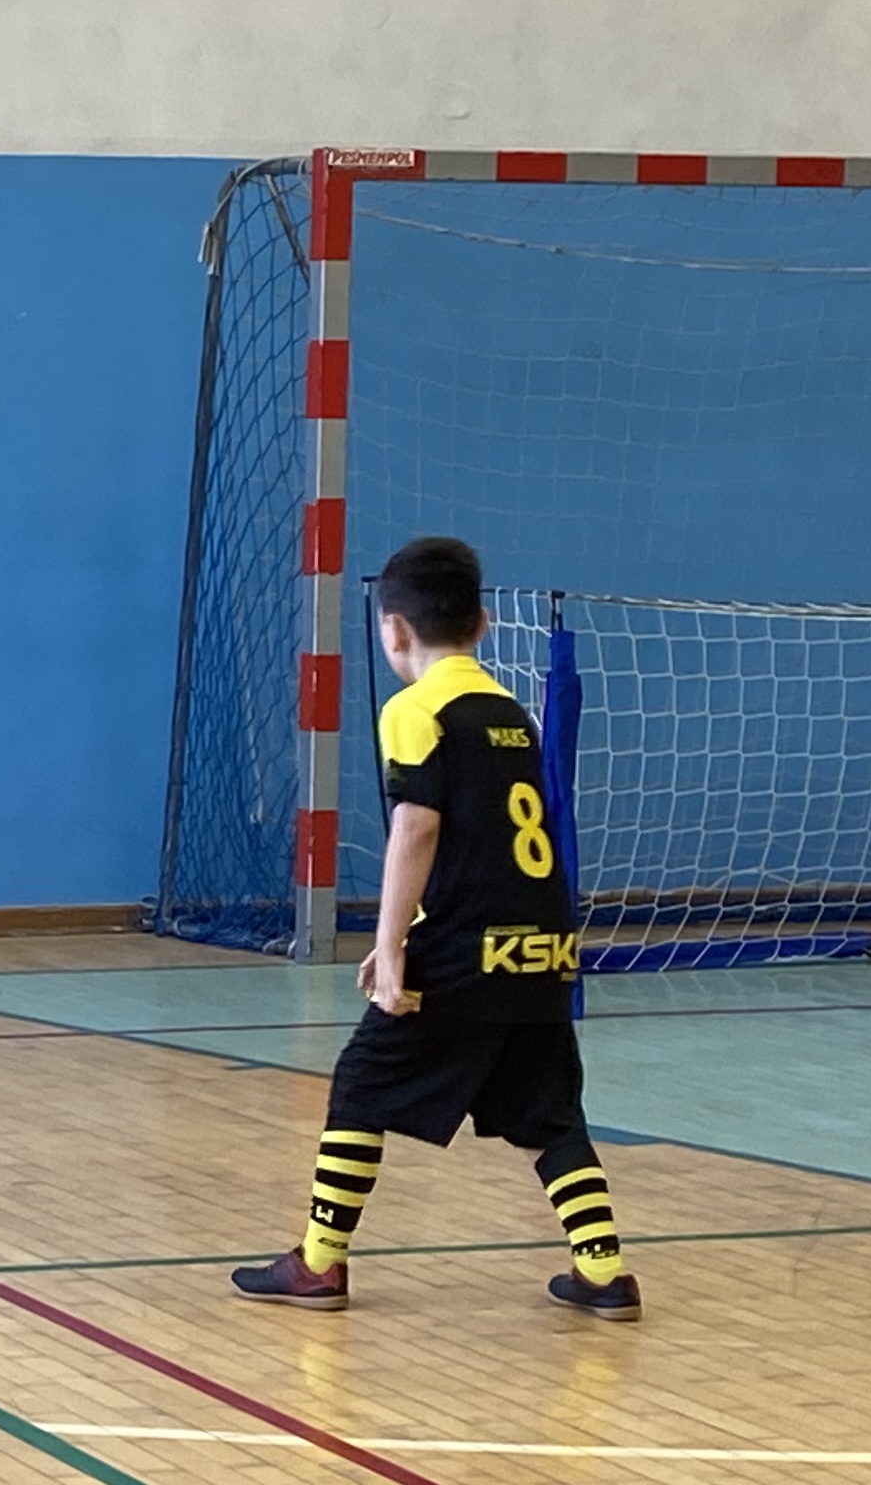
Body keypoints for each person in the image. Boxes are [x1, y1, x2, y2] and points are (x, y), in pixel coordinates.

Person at [231, 535, 639, 1320]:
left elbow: (417, 829)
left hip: (466, 944)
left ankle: (318, 1263)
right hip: (543, 941)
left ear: (392, 630)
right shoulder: (511, 713)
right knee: (547, 1112)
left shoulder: (415, 710)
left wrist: (389, 949)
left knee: (360, 1084)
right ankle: (604, 1271)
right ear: (482, 625)